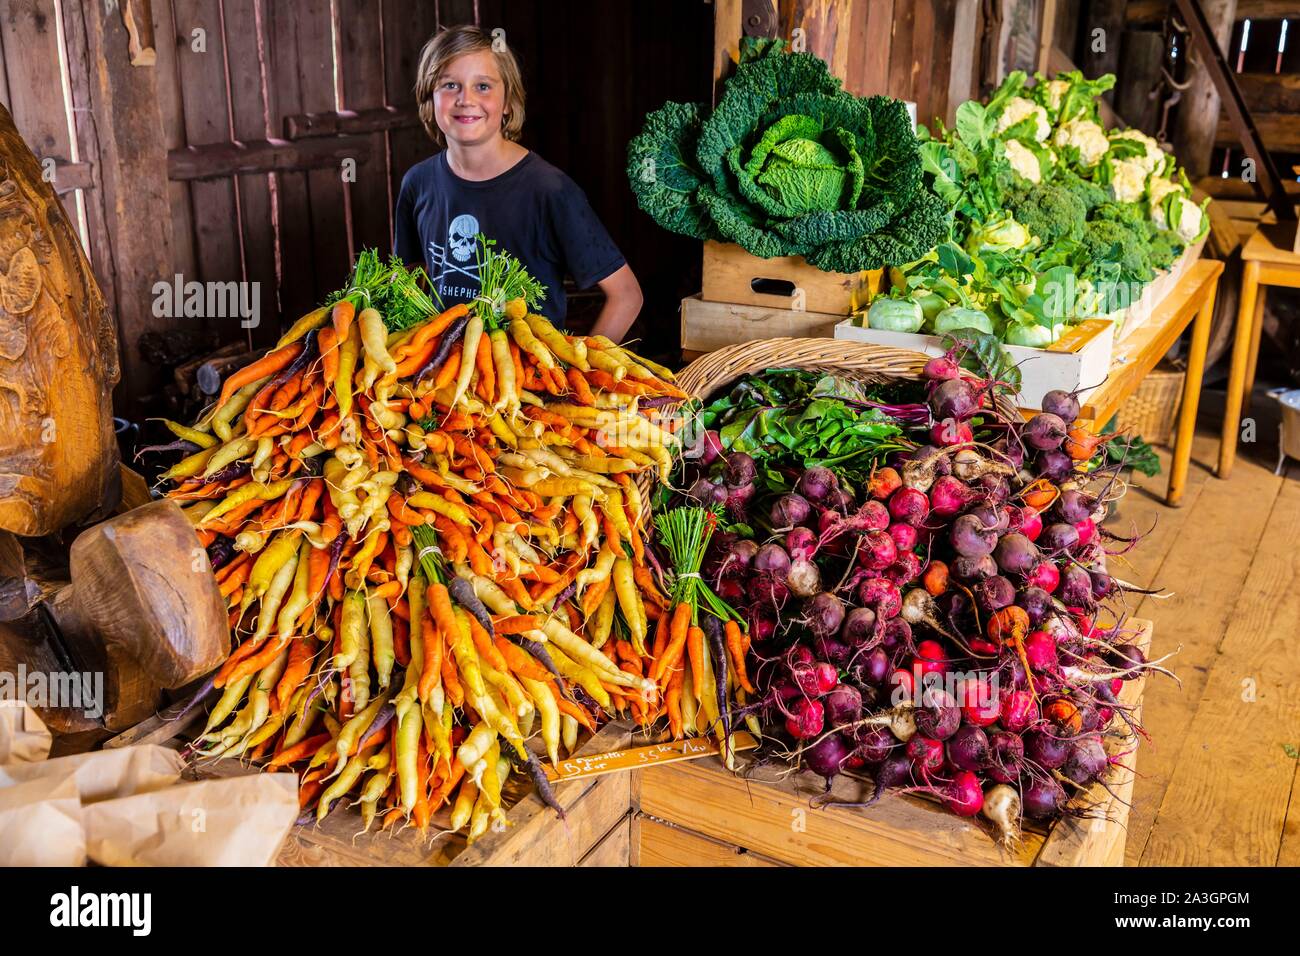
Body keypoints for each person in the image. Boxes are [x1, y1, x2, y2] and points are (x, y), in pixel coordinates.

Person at [394, 25, 642, 341]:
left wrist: (578, 373)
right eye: (450, 85)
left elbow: (626, 295)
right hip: (442, 381)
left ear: (508, 101)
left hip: (530, 383)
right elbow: (409, 284)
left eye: (483, 86)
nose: (466, 99)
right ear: (430, 98)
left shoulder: (551, 191)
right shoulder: (417, 184)